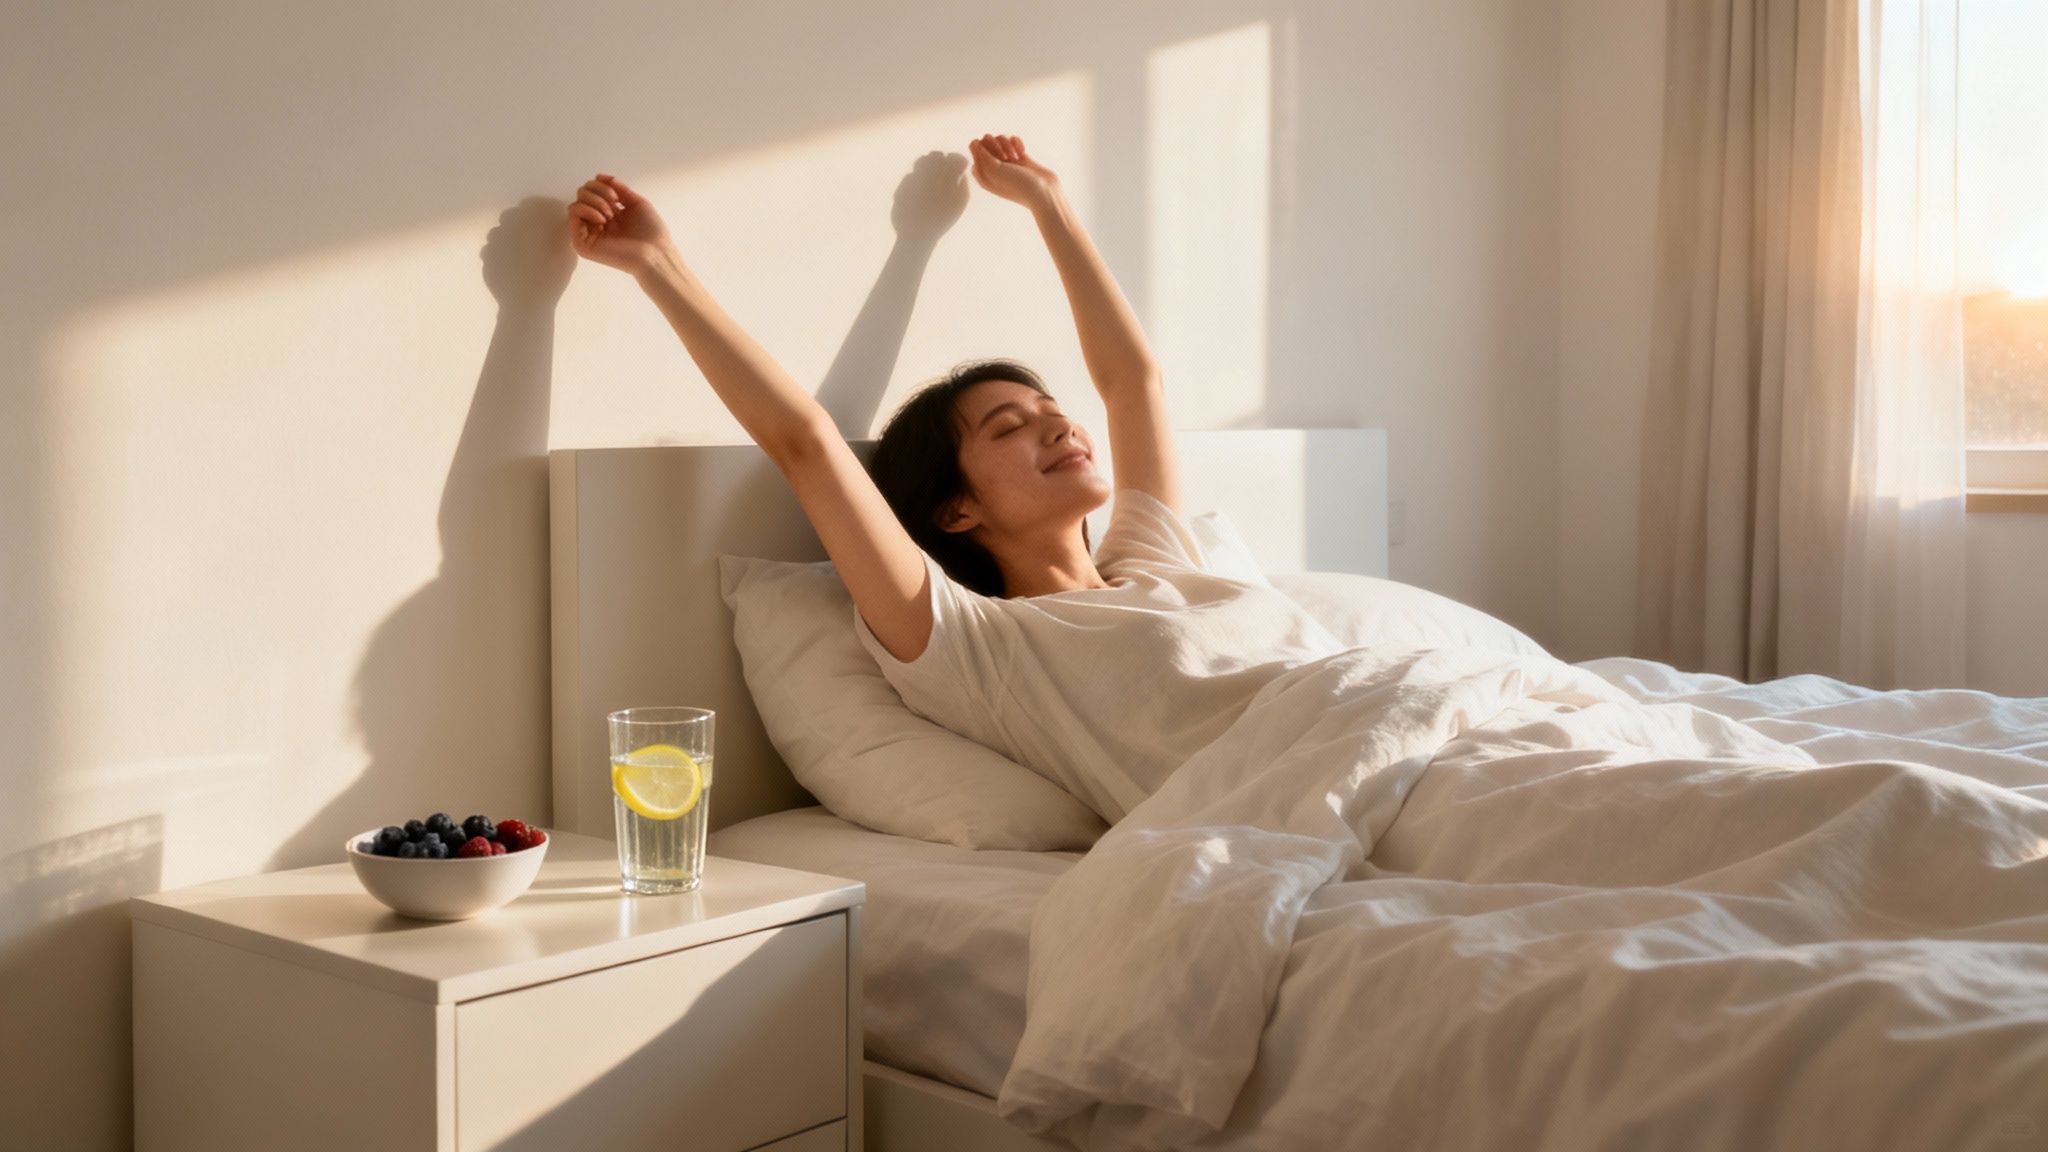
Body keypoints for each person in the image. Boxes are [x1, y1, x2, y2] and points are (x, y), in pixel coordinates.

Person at [566, 135, 1338, 822]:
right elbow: (804, 443)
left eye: (1051, 409)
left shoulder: (1158, 563)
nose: (1060, 426)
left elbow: (1135, 382)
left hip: (1398, 724)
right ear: (957, 508)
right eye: (1009, 427)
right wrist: (658, 266)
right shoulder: (983, 650)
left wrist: (1049, 203)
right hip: (1310, 790)